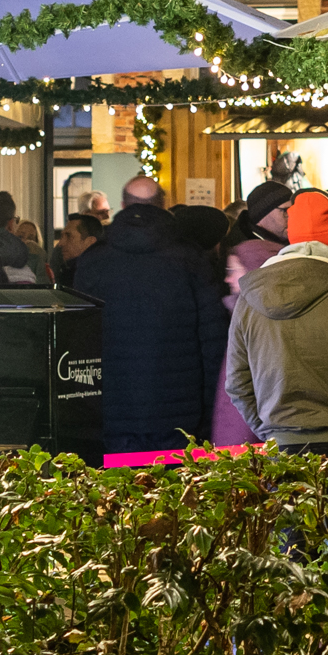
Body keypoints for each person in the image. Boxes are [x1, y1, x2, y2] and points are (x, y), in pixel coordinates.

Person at [231, 191, 328, 475]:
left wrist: (269, 430)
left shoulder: (250, 299)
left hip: (281, 446)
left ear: (291, 238)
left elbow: (237, 383)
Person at [78, 189, 226, 458]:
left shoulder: (92, 261)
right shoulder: (191, 259)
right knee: (178, 495)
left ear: (122, 204)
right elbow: (212, 343)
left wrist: (87, 411)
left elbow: (80, 344)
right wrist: (208, 415)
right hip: (180, 414)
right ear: (163, 205)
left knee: (117, 496)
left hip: (112, 411)